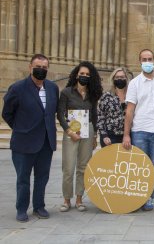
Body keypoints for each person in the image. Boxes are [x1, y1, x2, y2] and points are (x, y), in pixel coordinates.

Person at [2, 54, 59, 222]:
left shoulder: (52, 88)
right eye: (38, 66)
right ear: (30, 67)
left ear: (48, 69)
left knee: (43, 176)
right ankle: (21, 208)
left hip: (46, 142)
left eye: (44, 67)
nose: (41, 70)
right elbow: (7, 113)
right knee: (23, 178)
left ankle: (39, 206)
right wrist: (21, 128)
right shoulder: (18, 88)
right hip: (24, 142)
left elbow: (51, 112)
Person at [122, 49, 154, 211]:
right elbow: (129, 110)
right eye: (144, 59)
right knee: (140, 166)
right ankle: (139, 197)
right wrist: (126, 134)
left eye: (150, 59)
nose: (147, 62)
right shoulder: (135, 83)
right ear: (140, 61)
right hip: (140, 130)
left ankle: (150, 197)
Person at [57, 61, 103, 212]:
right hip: (71, 131)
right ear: (76, 75)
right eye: (82, 74)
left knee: (83, 167)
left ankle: (79, 199)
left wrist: (95, 135)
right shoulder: (67, 92)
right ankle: (66, 200)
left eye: (87, 75)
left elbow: (94, 115)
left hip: (88, 130)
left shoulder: (92, 94)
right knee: (68, 167)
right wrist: (69, 131)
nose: (84, 76)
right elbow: (61, 114)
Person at [97, 67, 129, 147]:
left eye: (122, 77)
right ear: (113, 79)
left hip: (126, 136)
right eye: (117, 77)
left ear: (126, 78)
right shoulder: (106, 96)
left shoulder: (131, 96)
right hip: (109, 136)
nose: (120, 79)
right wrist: (104, 135)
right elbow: (100, 116)